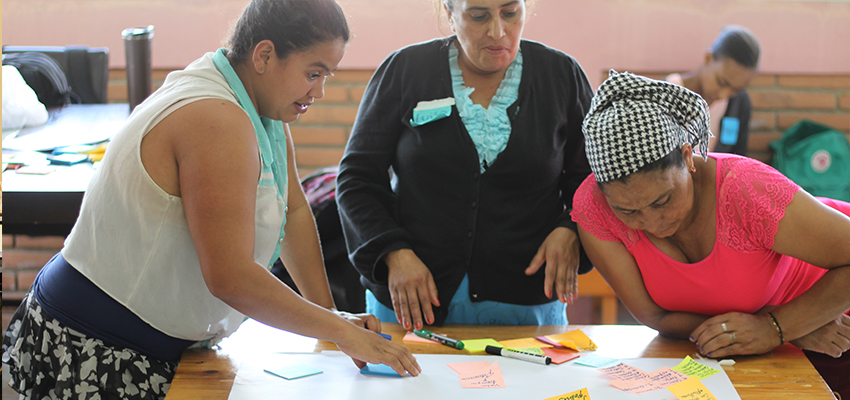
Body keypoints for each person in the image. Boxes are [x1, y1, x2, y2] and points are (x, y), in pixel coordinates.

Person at [2, 1, 420, 398]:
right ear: (264, 55)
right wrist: (339, 331)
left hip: (153, 344)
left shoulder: (259, 105)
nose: (321, 91)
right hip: (96, 344)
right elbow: (230, 276)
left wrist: (331, 318)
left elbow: (293, 212)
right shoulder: (215, 116)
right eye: (314, 73)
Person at [571, 70, 850, 398]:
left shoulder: (746, 190)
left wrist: (778, 328)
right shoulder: (594, 207)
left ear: (688, 157)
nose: (651, 223)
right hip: (770, 344)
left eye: (663, 200)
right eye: (628, 212)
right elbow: (655, 315)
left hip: (834, 324)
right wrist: (777, 330)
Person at [336, 0, 594, 331]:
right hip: (411, 302)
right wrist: (393, 252)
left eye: (510, 12)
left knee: (527, 385)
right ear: (449, 13)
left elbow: (592, 178)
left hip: (525, 305)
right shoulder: (406, 69)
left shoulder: (561, 76)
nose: (497, 31)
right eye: (478, 15)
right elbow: (357, 178)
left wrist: (571, 227)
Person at [665, 25, 760, 156]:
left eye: (735, 90)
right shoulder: (664, 94)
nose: (723, 95)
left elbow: (737, 160)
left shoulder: (739, 103)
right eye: (721, 82)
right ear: (708, 58)